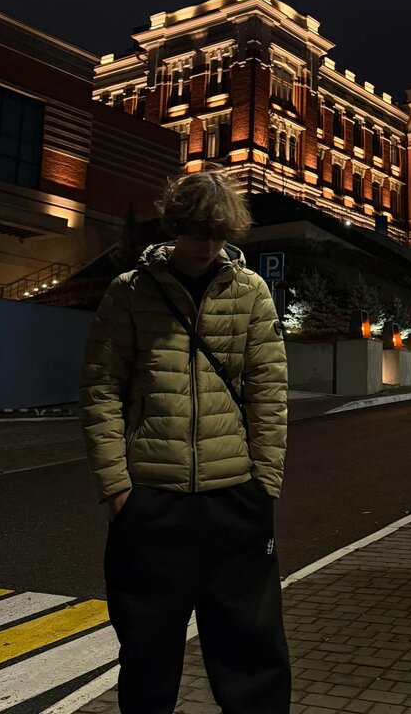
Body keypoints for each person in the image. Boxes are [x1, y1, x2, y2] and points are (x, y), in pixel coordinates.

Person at [79, 169, 290, 714]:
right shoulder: (130, 292)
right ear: (176, 227)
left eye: (218, 235)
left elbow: (269, 393)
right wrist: (117, 490)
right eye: (198, 233)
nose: (208, 246)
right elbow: (101, 388)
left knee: (253, 655)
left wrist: (264, 485)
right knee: (147, 658)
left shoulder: (250, 292)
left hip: (234, 498)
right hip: (151, 502)